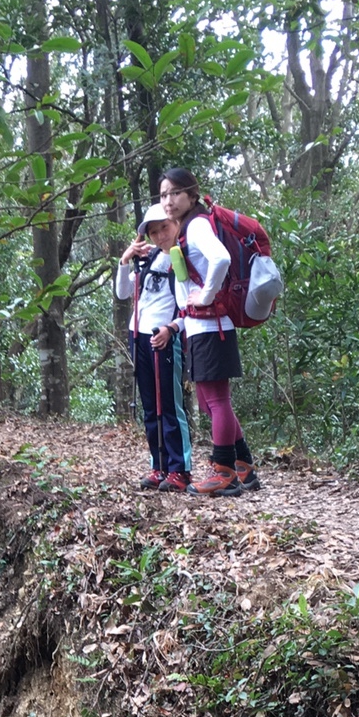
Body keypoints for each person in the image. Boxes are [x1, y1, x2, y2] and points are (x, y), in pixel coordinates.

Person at [158, 166, 260, 497]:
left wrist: (205, 295)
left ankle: (224, 472)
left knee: (217, 401)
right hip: (203, 328)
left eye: (174, 193)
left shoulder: (199, 225)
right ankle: (242, 466)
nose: (168, 200)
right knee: (209, 401)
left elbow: (221, 259)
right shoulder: (189, 229)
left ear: (191, 194)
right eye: (163, 195)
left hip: (213, 327)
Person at [118, 206, 192, 492]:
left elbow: (192, 306)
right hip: (138, 335)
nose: (160, 235)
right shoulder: (148, 260)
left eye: (164, 228)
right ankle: (158, 465)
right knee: (150, 406)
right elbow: (123, 293)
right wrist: (126, 260)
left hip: (165, 336)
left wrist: (172, 329)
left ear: (176, 224)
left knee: (170, 406)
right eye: (153, 231)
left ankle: (180, 469)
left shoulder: (184, 258)